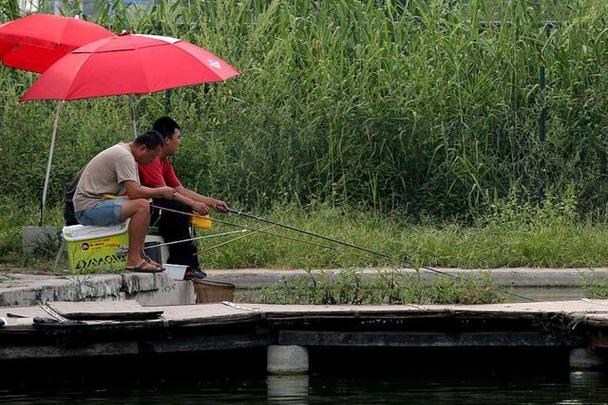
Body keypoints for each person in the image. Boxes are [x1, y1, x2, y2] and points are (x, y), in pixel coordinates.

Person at [138, 117, 229, 280]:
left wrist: (213, 202)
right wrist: (193, 203)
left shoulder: (165, 162)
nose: (180, 142)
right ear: (166, 140)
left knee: (183, 207)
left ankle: (191, 264)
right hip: (145, 207)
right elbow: (165, 192)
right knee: (177, 208)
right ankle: (181, 264)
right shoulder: (151, 159)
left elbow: (179, 189)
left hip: (155, 204)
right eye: (178, 137)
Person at [73, 131, 175, 273]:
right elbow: (134, 192)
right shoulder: (124, 156)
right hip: (88, 208)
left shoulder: (128, 156)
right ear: (143, 148)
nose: (152, 161)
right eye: (153, 156)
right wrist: (161, 191)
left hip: (99, 203)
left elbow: (137, 190)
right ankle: (133, 259)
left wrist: (161, 191)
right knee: (141, 206)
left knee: (146, 202)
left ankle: (140, 255)